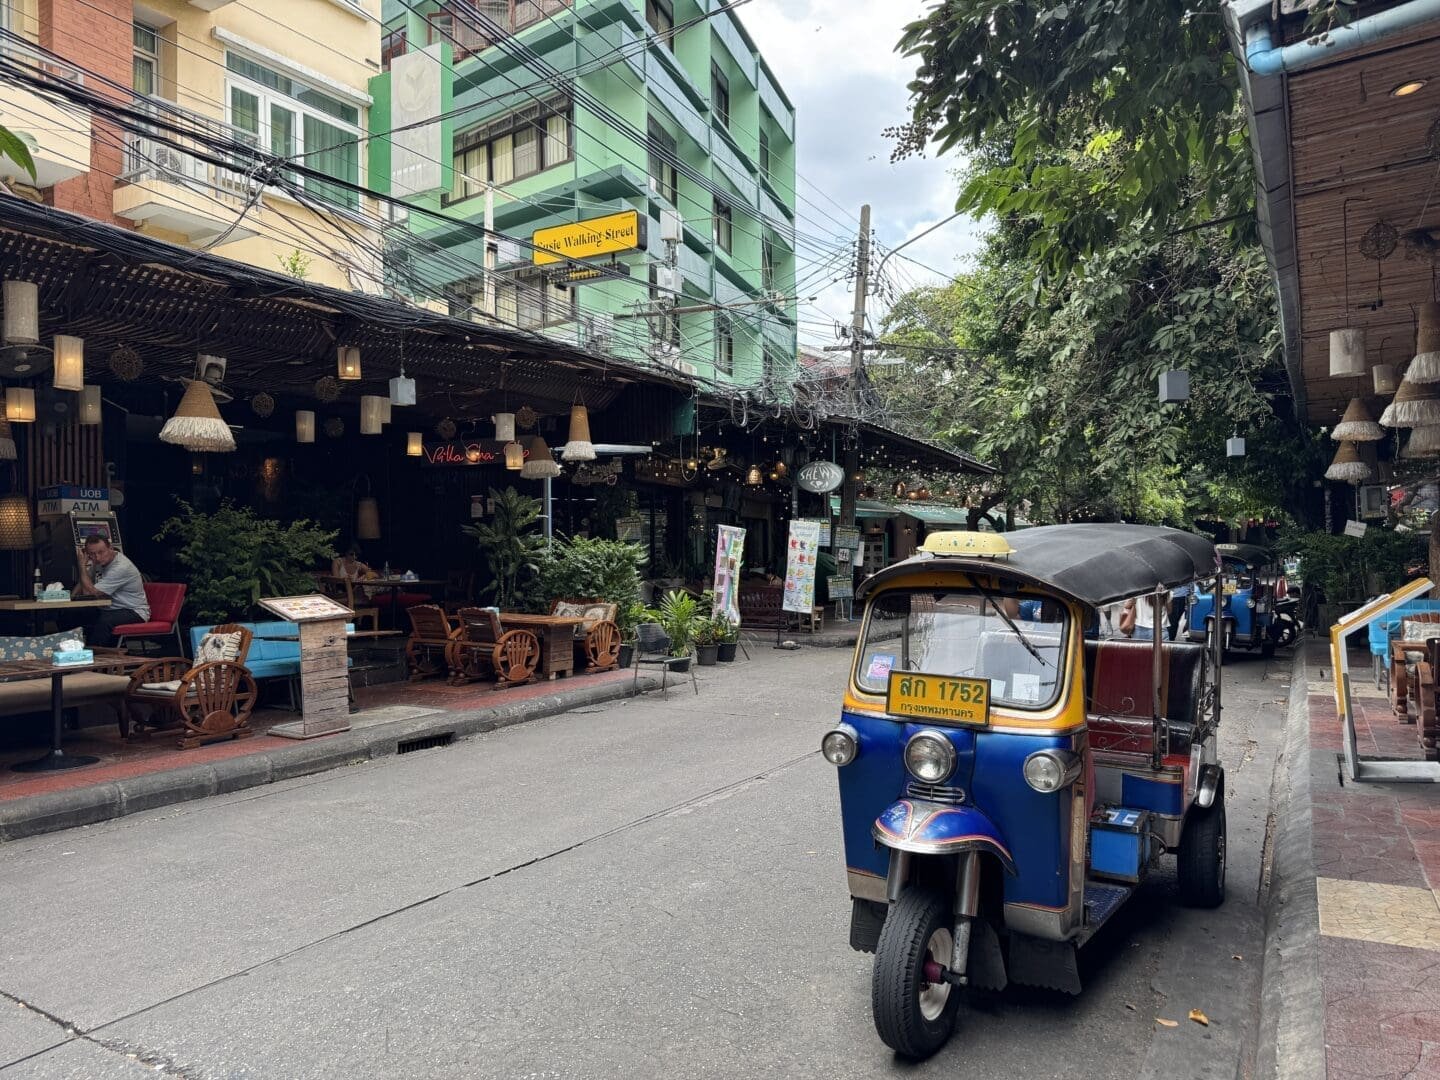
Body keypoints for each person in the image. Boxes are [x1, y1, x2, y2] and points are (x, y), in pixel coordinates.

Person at [73, 536, 149, 646]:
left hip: (133, 611)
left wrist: (81, 565)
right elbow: (84, 581)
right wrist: (70, 598)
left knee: (104, 621)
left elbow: (89, 593)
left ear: (110, 548)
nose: (97, 557)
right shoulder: (99, 563)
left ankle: (96, 657)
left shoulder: (120, 567)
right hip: (110, 608)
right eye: (92, 554)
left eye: (101, 552)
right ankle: (71, 650)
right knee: (70, 614)